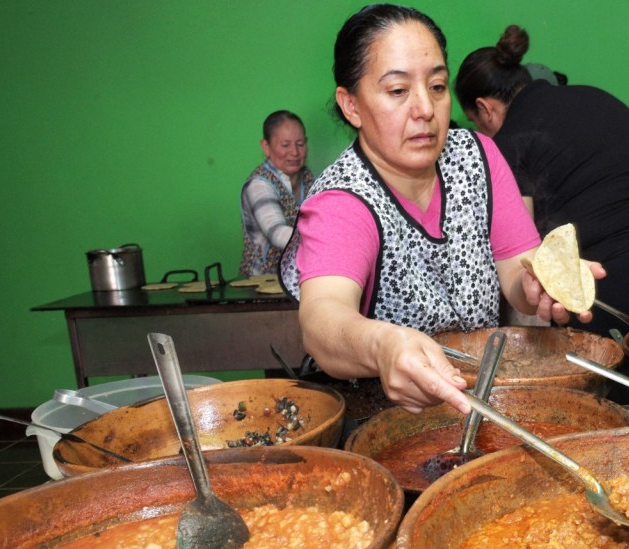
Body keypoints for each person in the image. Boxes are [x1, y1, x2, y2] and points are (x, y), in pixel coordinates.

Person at [280, 4, 601, 414]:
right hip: (387, 422)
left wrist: (540, 283)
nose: (426, 110)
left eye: (436, 86)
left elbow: (516, 273)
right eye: (398, 91)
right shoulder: (343, 199)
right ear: (351, 105)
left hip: (480, 407)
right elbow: (322, 321)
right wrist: (384, 346)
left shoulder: (477, 156)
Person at [455, 26, 629, 338]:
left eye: (477, 124)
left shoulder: (509, 141)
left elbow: (524, 248)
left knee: (617, 388)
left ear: (486, 108)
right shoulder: (596, 97)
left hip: (614, 283)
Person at [239, 110, 314, 276]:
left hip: (298, 278)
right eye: (285, 145)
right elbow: (277, 233)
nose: (294, 152)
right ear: (266, 147)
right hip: (262, 282)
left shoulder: (308, 178)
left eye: (300, 144)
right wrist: (329, 240)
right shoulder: (259, 184)